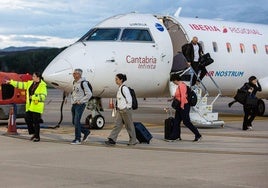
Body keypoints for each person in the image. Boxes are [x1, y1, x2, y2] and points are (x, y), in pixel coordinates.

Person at [6, 72, 47, 142]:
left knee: (36, 122)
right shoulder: (30, 83)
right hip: (30, 106)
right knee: (27, 118)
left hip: (37, 107)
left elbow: (43, 96)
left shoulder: (42, 85)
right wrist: (11, 82)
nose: (32, 77)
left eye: (34, 76)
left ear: (38, 78)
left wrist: (34, 97)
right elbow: (20, 85)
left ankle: (37, 137)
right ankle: (34, 132)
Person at [105, 73, 137, 146]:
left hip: (125, 110)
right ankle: (112, 139)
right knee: (117, 125)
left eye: (117, 79)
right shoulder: (119, 88)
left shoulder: (124, 88)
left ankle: (133, 140)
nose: (115, 81)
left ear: (121, 80)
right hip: (120, 110)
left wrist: (127, 108)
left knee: (129, 126)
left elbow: (129, 99)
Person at [170, 73, 202, 141]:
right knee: (176, 122)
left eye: (173, 81)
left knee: (186, 122)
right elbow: (179, 95)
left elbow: (183, 97)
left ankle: (198, 135)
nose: (173, 83)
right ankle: (176, 136)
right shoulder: (179, 86)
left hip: (184, 106)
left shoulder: (182, 85)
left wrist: (182, 106)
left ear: (175, 80)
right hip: (180, 106)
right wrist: (172, 99)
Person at [71, 68, 92, 144]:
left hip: (80, 105)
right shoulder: (74, 82)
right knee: (74, 122)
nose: (73, 75)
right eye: (73, 73)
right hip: (74, 104)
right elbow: (74, 93)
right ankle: (86, 132)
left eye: (75, 73)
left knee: (76, 121)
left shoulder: (83, 83)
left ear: (79, 75)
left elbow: (89, 94)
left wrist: (81, 101)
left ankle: (77, 139)